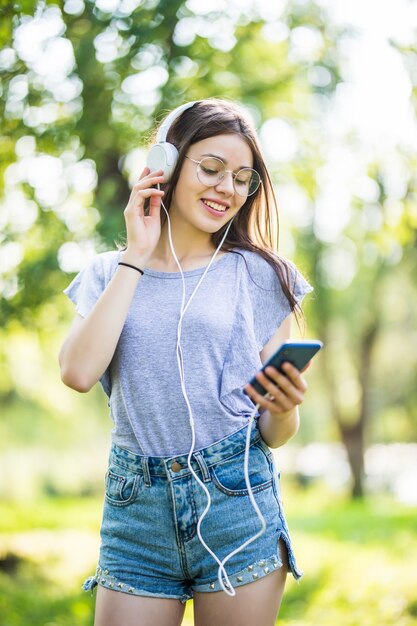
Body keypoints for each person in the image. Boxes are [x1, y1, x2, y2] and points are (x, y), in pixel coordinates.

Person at [59, 98, 313, 626]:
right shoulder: (110, 271)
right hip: (137, 512)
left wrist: (285, 408)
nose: (227, 188)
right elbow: (78, 373)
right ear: (166, 166)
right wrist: (137, 254)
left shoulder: (262, 275)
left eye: (243, 178)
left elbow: (275, 431)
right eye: (212, 169)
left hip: (235, 500)